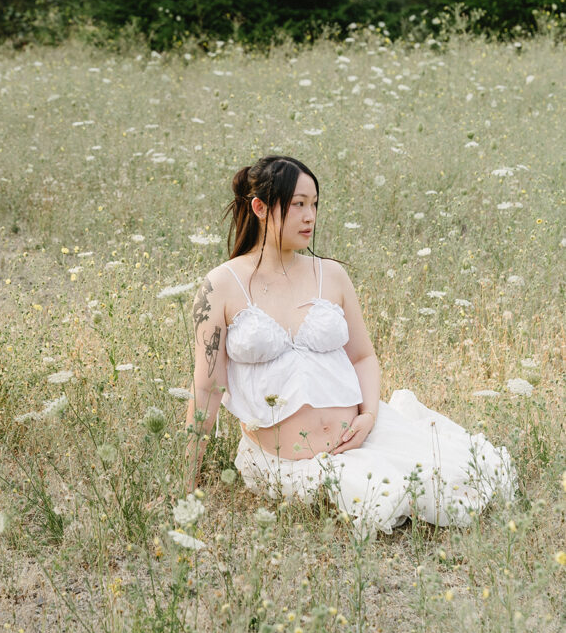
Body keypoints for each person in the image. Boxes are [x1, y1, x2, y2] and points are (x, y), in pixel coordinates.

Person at [185, 155, 515, 535]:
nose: (310, 216)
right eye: (297, 204)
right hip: (287, 462)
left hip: (360, 436)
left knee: (461, 474)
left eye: (314, 204)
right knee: (380, 493)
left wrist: (368, 417)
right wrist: (186, 483)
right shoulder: (220, 286)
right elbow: (207, 387)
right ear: (260, 207)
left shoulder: (332, 275)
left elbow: (363, 356)